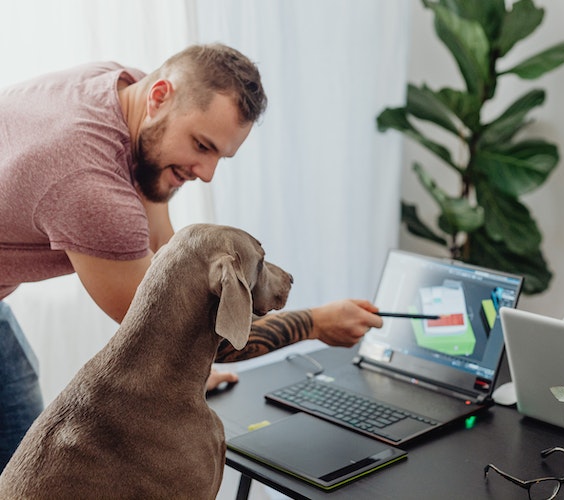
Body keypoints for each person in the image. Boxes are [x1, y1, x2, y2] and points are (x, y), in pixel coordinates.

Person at [0, 43, 383, 469]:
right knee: (25, 471)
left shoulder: (122, 88)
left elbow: (167, 259)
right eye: (201, 145)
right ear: (160, 96)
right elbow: (171, 327)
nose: (207, 173)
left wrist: (190, 366)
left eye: (220, 154)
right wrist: (315, 323)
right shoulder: (90, 185)